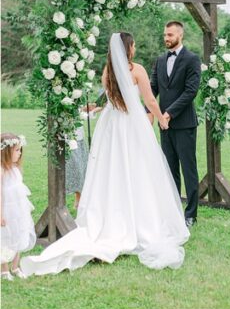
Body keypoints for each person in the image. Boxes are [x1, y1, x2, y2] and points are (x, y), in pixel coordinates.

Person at [20, 33, 189, 278]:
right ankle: (139, 220)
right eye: (134, 45)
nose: (135, 48)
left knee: (111, 170)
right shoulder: (137, 70)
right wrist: (162, 119)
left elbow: (110, 99)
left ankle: (109, 214)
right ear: (128, 48)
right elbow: (150, 99)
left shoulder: (107, 72)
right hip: (130, 124)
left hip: (110, 125)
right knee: (138, 168)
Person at [150, 21, 201, 228]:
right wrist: (148, 110)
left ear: (180, 35)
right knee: (170, 170)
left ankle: (191, 214)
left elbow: (191, 91)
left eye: (170, 35)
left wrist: (169, 113)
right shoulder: (160, 60)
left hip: (184, 123)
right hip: (165, 126)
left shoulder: (192, 59)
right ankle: (173, 211)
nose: (166, 38)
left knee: (188, 169)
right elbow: (153, 88)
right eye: (165, 35)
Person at [0, 134, 36, 281]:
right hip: (6, 210)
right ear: (6, 151)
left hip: (19, 210)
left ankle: (15, 267)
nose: (20, 153)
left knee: (20, 234)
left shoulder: (15, 169)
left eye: (20, 150)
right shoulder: (2, 171)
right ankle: (4, 270)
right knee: (5, 237)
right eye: (16, 150)